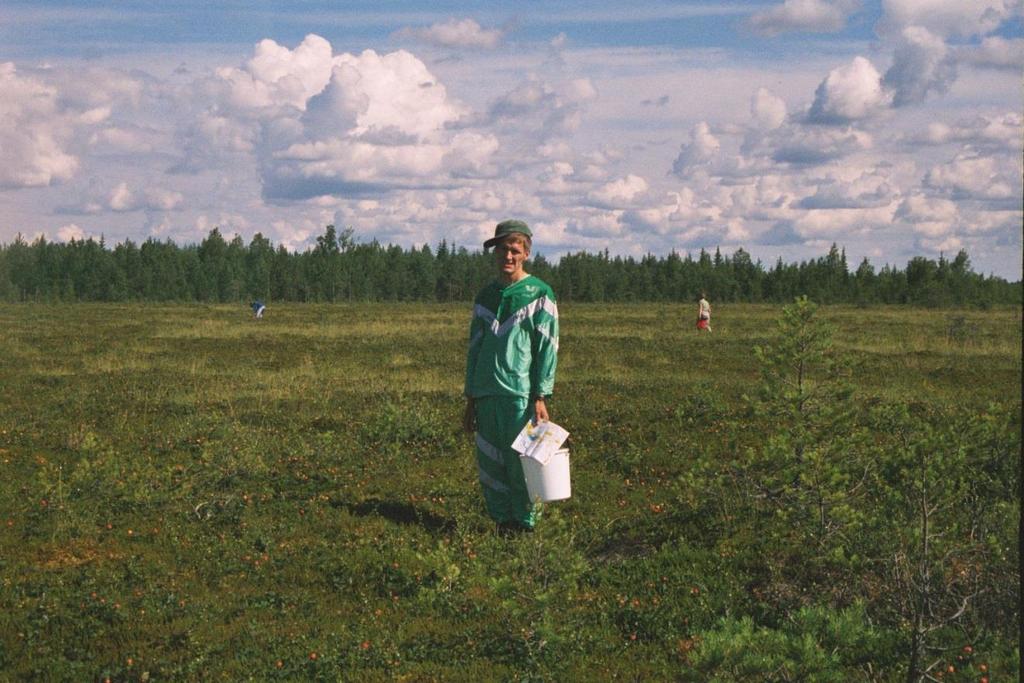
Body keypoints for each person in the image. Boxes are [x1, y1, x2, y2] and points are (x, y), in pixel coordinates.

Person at [463, 219, 559, 533]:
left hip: (521, 397)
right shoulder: (485, 297)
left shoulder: (540, 294)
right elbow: (475, 349)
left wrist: (540, 396)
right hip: (487, 396)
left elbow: (547, 348)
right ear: (495, 252)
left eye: (515, 250)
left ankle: (527, 527)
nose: (508, 256)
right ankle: (503, 525)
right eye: (503, 249)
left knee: (524, 466)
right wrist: (471, 398)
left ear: (526, 253)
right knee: (492, 466)